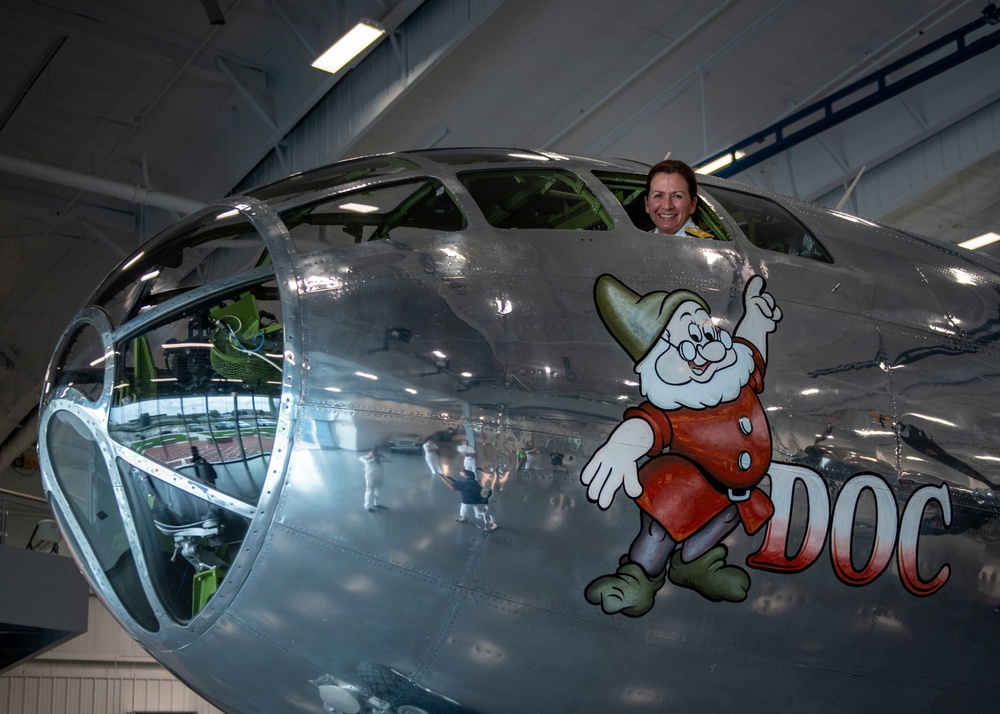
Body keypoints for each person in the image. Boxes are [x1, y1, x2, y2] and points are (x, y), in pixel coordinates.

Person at [644, 159, 713, 238]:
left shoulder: (704, 247)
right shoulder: (643, 242)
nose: (667, 206)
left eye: (677, 196)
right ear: (647, 204)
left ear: (692, 204)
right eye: (658, 196)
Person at [359, 448, 389, 512]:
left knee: (378, 491)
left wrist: (382, 456)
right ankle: (368, 506)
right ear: (369, 453)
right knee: (370, 491)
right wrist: (372, 458)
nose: (374, 454)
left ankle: (376, 503)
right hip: (370, 477)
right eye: (371, 452)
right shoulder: (365, 458)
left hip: (380, 477)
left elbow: (388, 460)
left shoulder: (379, 458)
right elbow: (365, 461)